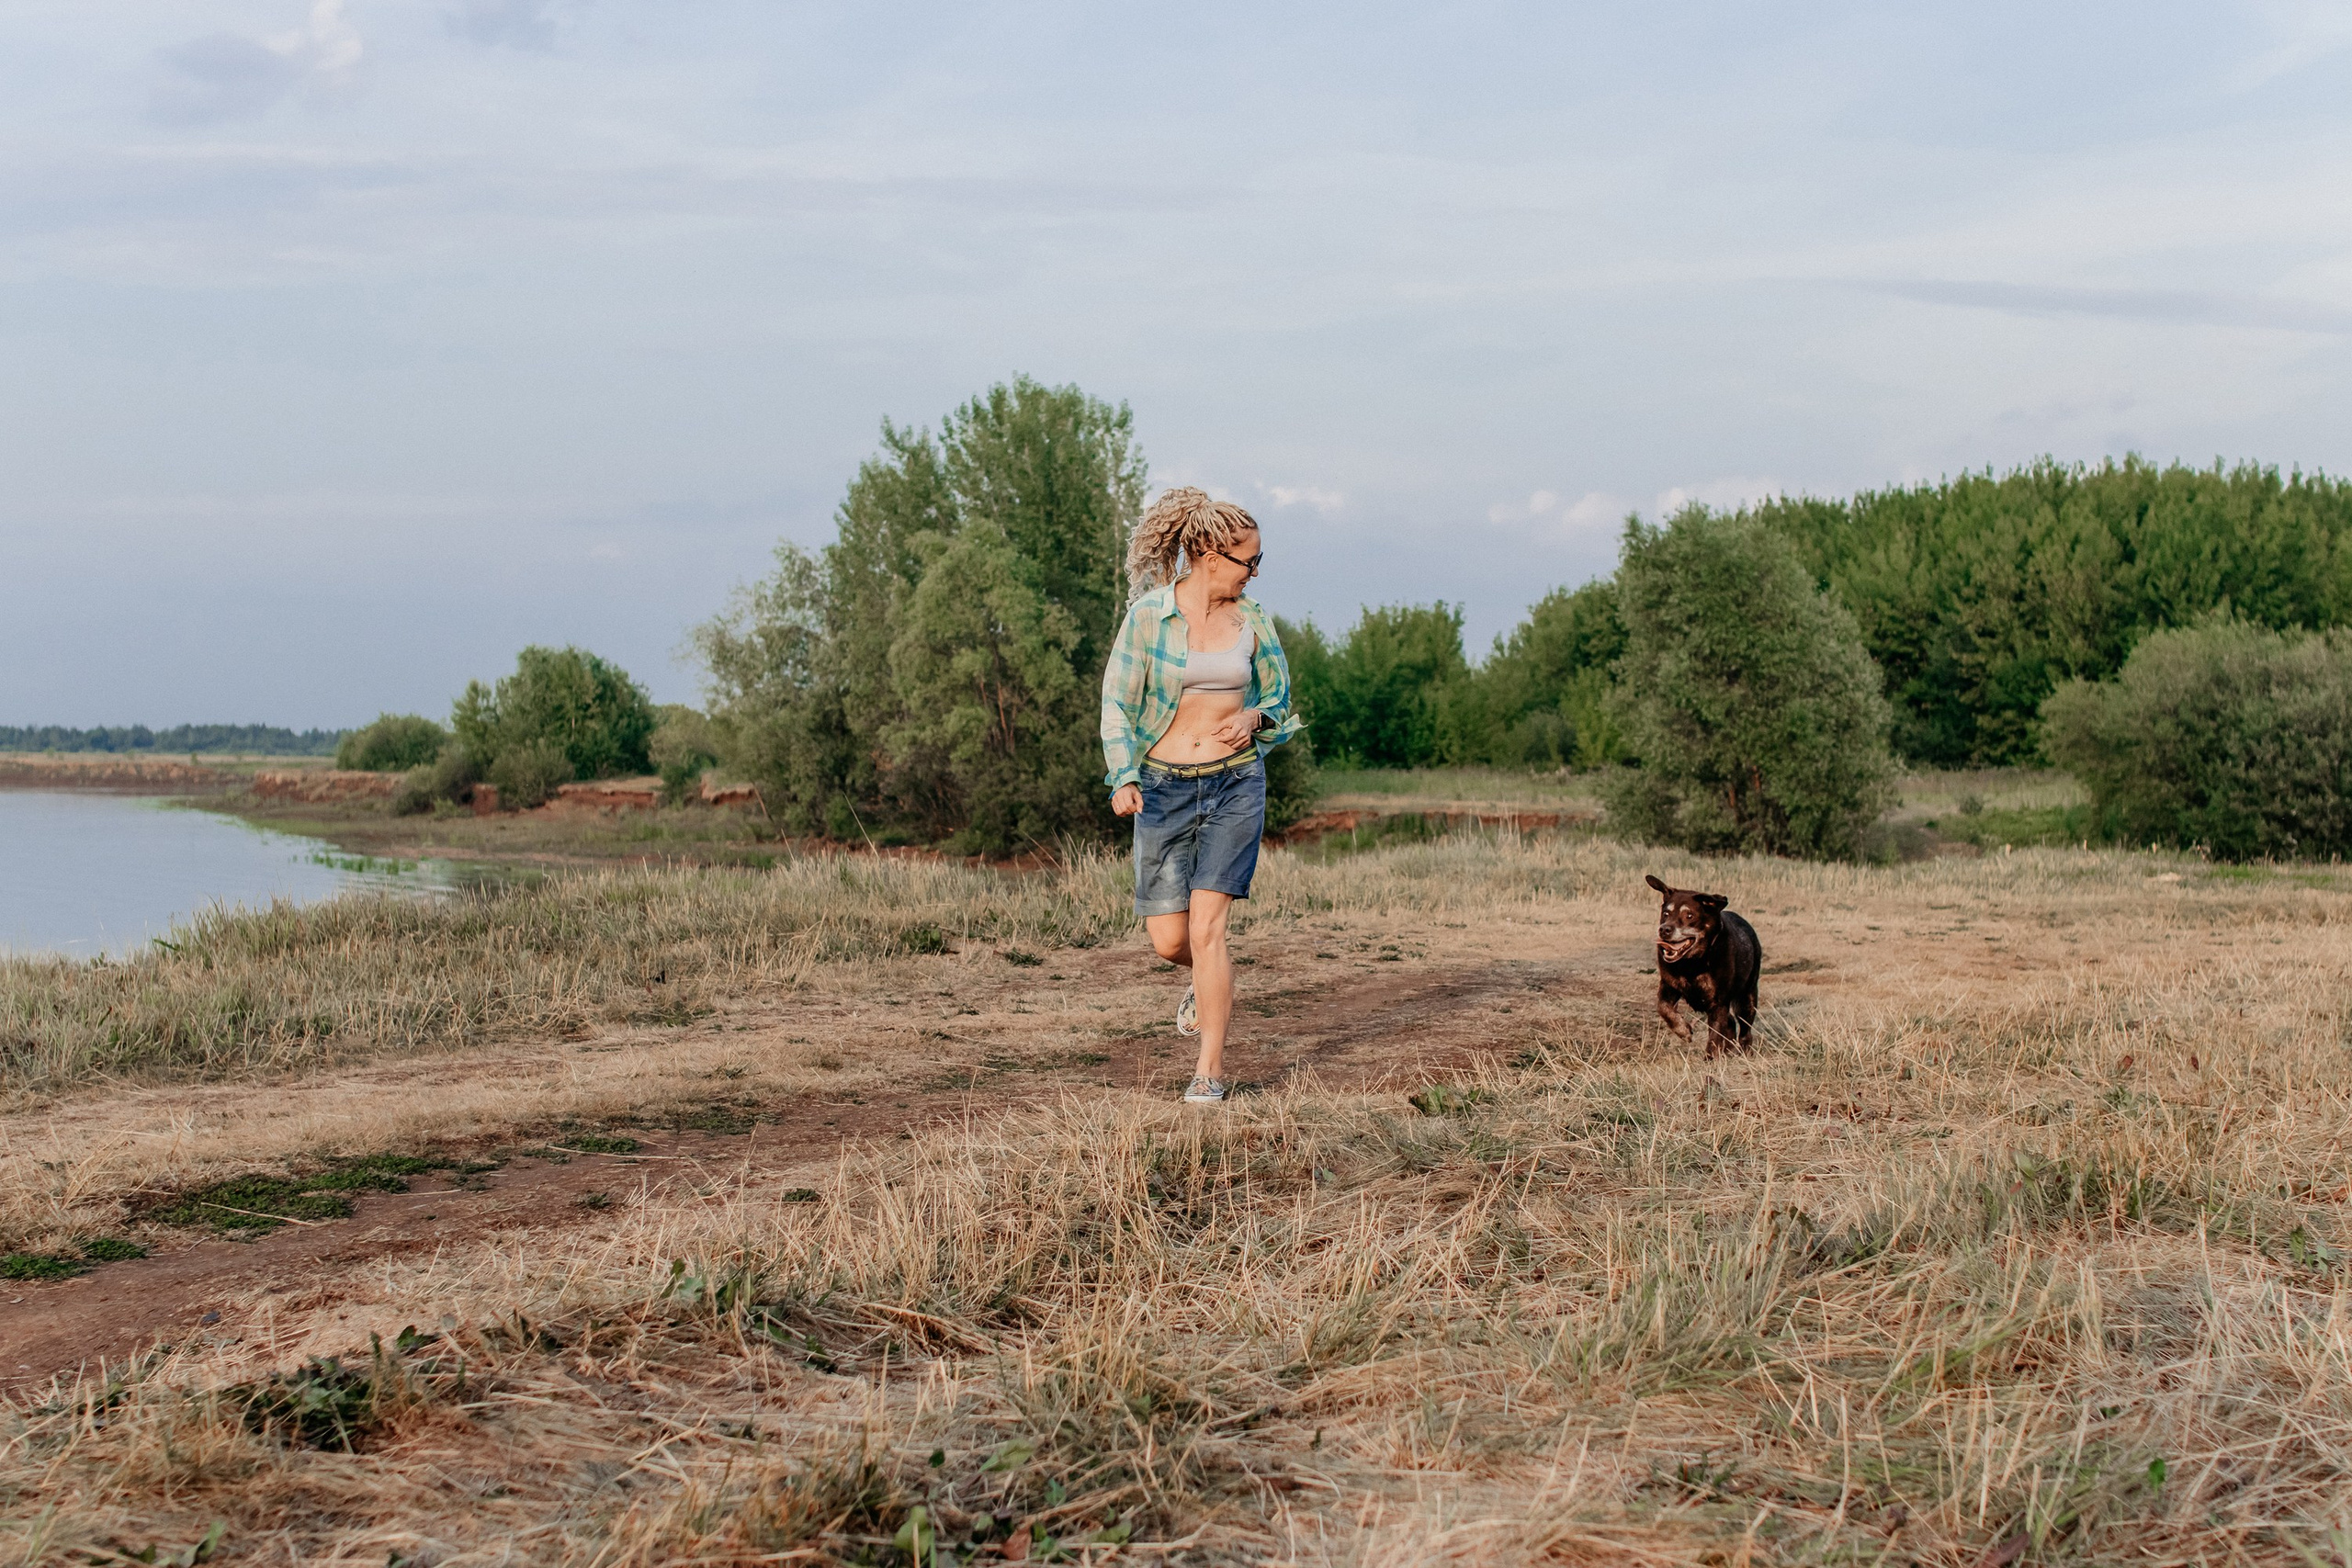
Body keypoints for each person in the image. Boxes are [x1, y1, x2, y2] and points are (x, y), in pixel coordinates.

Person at [1101, 487, 1300, 1104]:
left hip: (1235, 783)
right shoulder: (1148, 617)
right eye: (1249, 560)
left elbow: (1279, 698)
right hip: (1163, 786)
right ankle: (1206, 982)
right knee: (1170, 941)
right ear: (1211, 556)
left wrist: (1255, 718)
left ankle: (1209, 1071)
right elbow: (1117, 703)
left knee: (1209, 930)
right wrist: (1123, 774)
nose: (1255, 572)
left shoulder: (1253, 620)